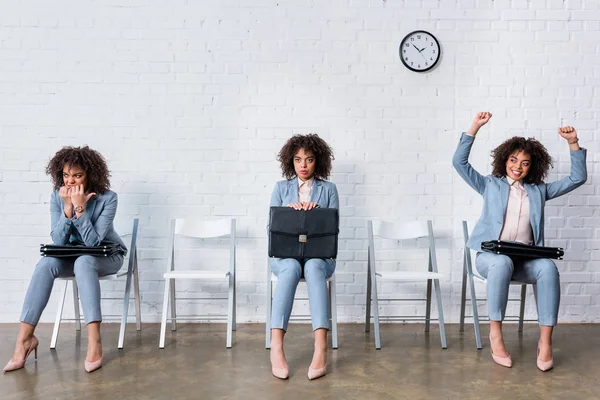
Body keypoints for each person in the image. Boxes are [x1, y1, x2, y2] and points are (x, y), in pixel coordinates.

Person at [453, 112, 587, 371]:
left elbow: (577, 179)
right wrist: (474, 127)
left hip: (525, 260)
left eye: (525, 163)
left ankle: (545, 342)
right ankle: (496, 335)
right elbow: (459, 163)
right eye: (513, 160)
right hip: (491, 259)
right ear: (505, 160)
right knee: (502, 262)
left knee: (547, 267)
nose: (518, 166)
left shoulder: (539, 191)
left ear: (532, 167)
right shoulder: (489, 185)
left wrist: (573, 142)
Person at [4, 146, 127, 373]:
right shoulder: (56, 197)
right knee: (45, 264)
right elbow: (58, 240)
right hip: (72, 254)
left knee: (84, 261)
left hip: (107, 255)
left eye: (77, 175)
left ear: (91, 174)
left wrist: (80, 208)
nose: (70, 181)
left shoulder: (108, 198)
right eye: (66, 175)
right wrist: (68, 207)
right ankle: (25, 340)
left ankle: (94, 342)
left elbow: (92, 243)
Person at [269, 133, 339, 380]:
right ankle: (276, 345)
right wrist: (290, 214)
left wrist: (314, 213)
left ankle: (321, 346)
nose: (303, 165)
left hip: (319, 257)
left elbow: (332, 230)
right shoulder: (280, 188)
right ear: (291, 161)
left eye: (309, 160)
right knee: (289, 268)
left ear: (317, 161)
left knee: (313, 267)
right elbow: (273, 230)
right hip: (285, 255)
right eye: (298, 160)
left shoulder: (329, 190)